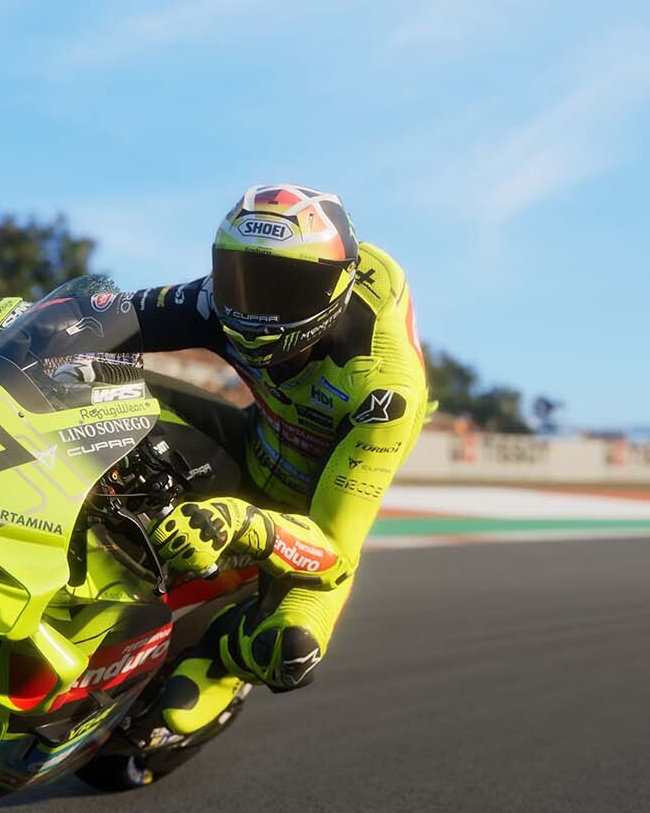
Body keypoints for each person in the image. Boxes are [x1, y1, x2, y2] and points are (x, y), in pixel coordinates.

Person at [130, 184, 429, 736]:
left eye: (283, 289)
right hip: (253, 443)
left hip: (310, 518)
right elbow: (105, 316)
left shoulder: (384, 392)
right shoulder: (218, 302)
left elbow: (335, 551)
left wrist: (243, 523)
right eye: (240, 278)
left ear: (334, 291)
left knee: (292, 651)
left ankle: (223, 653)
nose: (253, 307)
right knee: (102, 386)